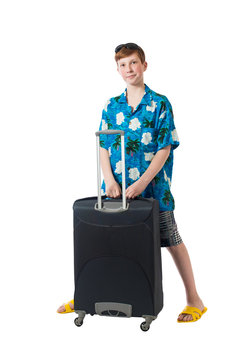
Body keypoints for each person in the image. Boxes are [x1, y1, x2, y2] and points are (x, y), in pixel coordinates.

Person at [57, 43, 207, 323]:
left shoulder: (160, 103)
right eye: (123, 65)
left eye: (134, 63)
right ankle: (85, 295)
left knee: (171, 239)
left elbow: (164, 147)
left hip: (153, 189)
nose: (129, 69)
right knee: (107, 243)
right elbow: (103, 144)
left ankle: (194, 299)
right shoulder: (111, 105)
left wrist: (142, 184)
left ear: (144, 65)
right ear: (117, 69)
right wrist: (109, 180)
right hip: (114, 191)